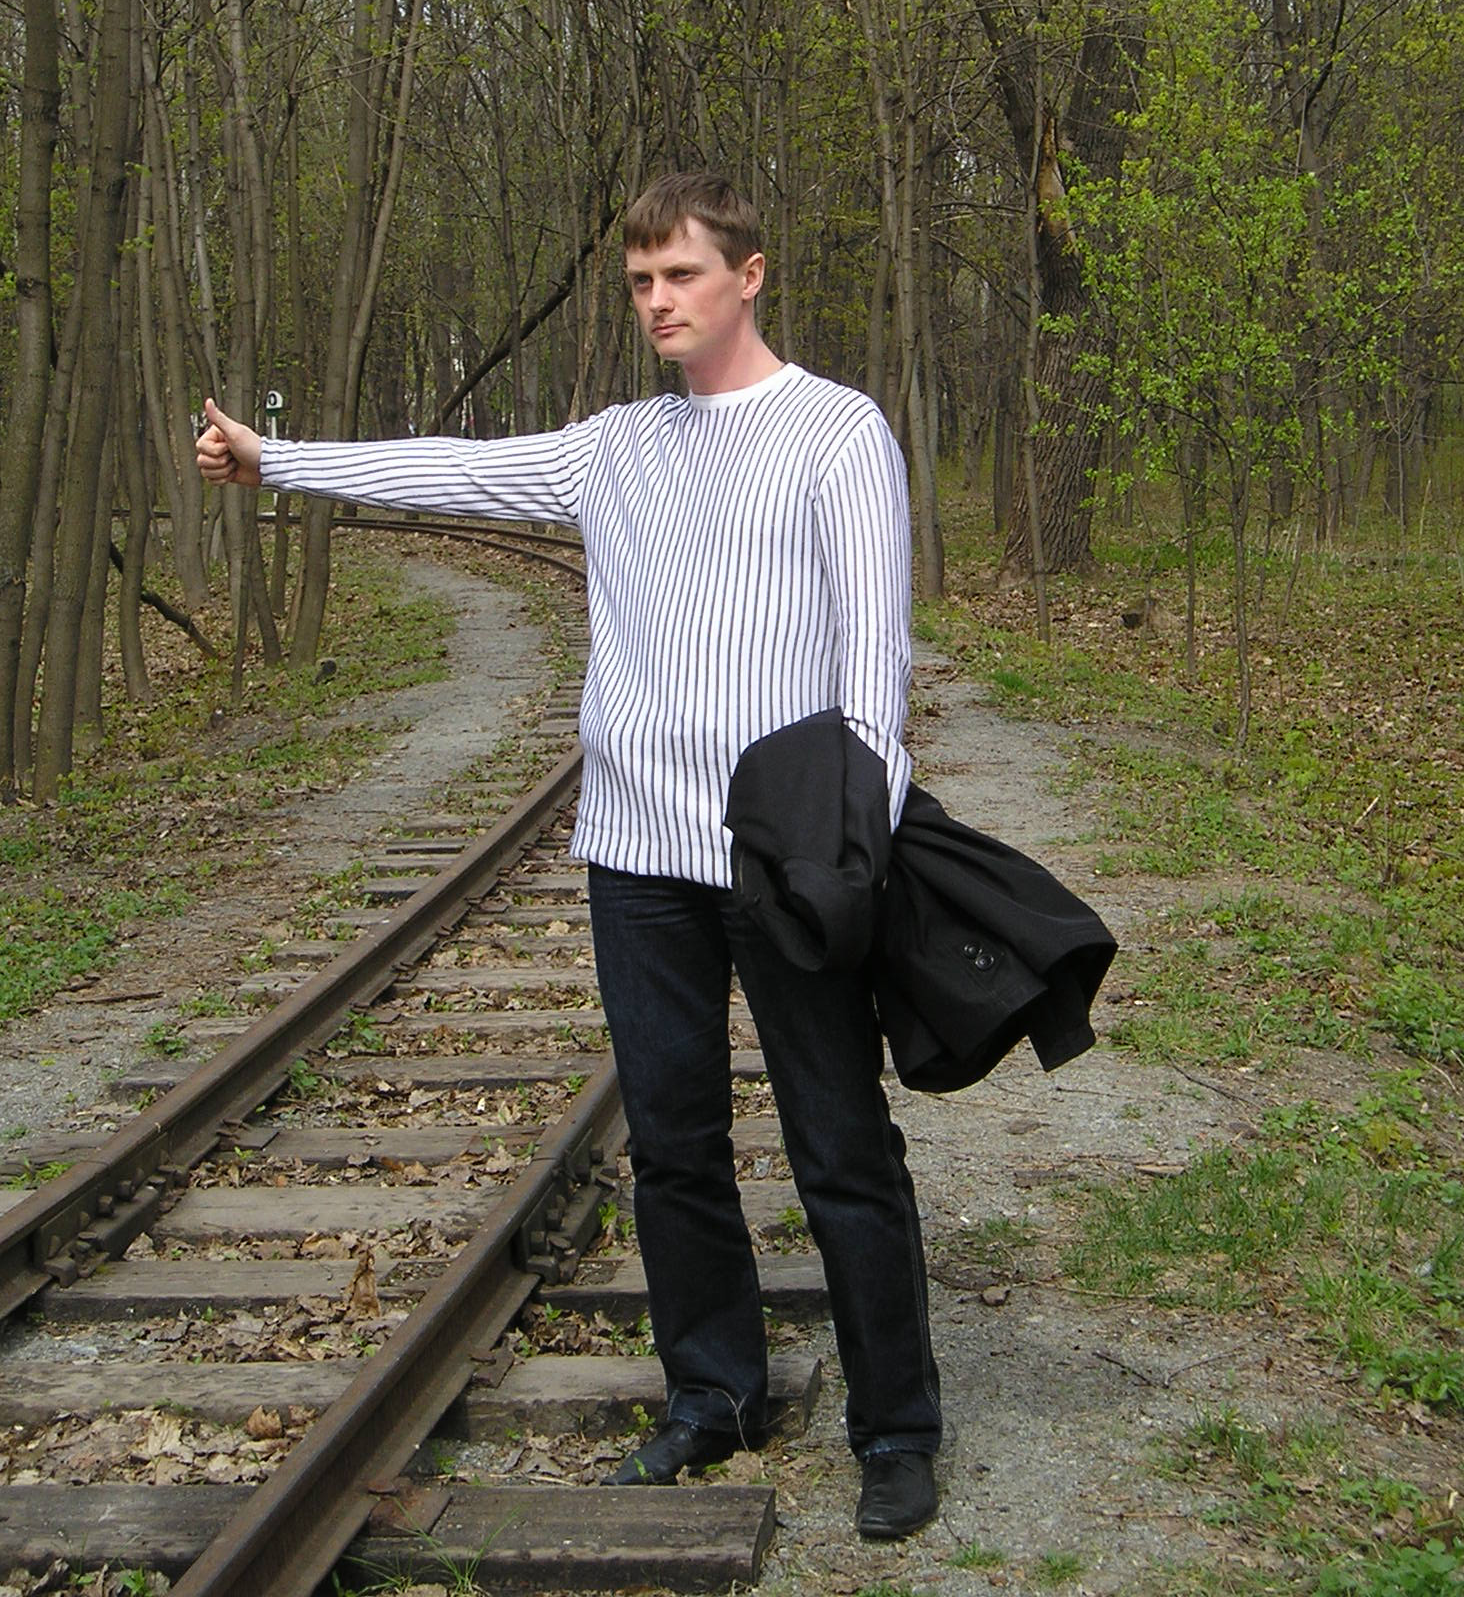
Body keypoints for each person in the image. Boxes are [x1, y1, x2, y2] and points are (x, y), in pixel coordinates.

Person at [196, 171, 943, 1539]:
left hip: (788, 859)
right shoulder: (615, 447)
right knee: (673, 1143)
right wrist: (277, 459)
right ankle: (713, 1396)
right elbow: (455, 467)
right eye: (641, 281)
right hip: (635, 854)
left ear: (749, 276)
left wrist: (856, 844)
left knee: (839, 1141)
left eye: (682, 274)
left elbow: (871, 668)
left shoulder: (837, 432)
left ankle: (896, 1427)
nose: (658, 301)